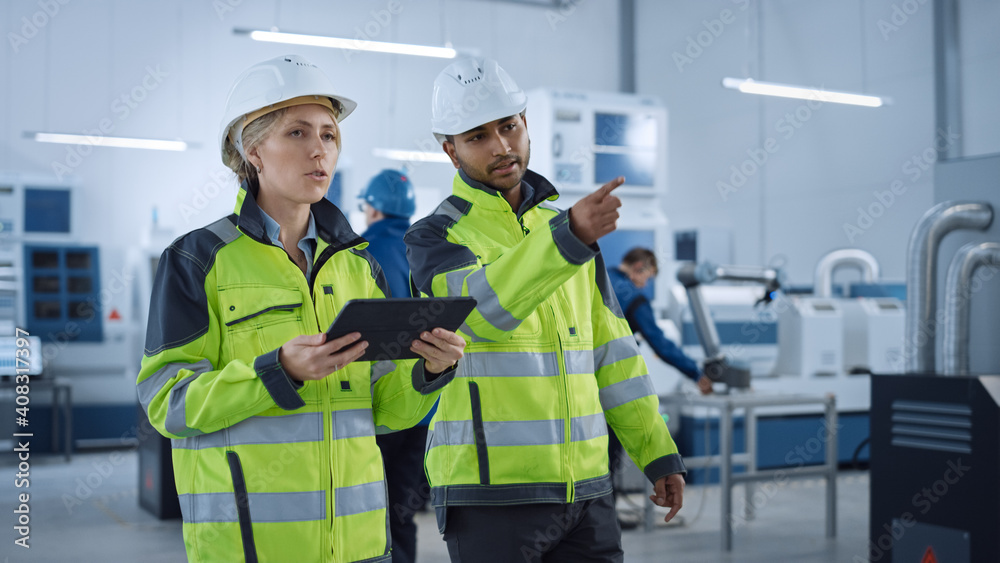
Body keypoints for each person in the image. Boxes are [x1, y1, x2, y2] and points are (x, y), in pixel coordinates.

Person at [136, 55, 465, 563]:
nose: (319, 150)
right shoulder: (197, 260)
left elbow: (382, 411)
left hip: (361, 545)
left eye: (329, 135)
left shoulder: (358, 266)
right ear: (253, 151)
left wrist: (428, 370)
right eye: (297, 133)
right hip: (253, 546)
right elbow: (168, 402)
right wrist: (278, 371)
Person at [404, 57, 686, 563]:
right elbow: (478, 314)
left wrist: (656, 450)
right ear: (451, 150)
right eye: (477, 136)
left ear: (526, 123)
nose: (501, 146)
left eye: (508, 126)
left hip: (587, 492)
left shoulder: (565, 233)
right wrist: (568, 238)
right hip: (491, 497)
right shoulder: (434, 238)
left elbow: (613, 354)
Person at [358, 169, 427, 563]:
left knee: (367, 512)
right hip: (421, 402)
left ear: (372, 208)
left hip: (378, 405)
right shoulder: (424, 246)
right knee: (402, 510)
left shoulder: (358, 252)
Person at [608, 248, 712, 394]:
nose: (644, 285)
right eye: (647, 277)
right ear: (638, 267)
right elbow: (660, 344)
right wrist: (696, 373)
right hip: (610, 373)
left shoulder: (600, 278)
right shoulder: (635, 298)